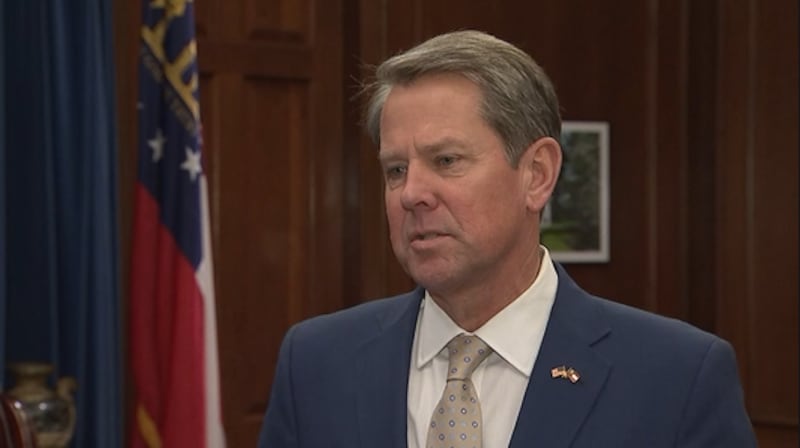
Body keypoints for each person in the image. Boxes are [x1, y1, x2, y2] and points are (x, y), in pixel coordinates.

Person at [258, 30, 756, 448]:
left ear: (537, 174)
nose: (411, 194)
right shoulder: (316, 363)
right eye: (395, 170)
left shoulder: (677, 378)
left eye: (446, 161)